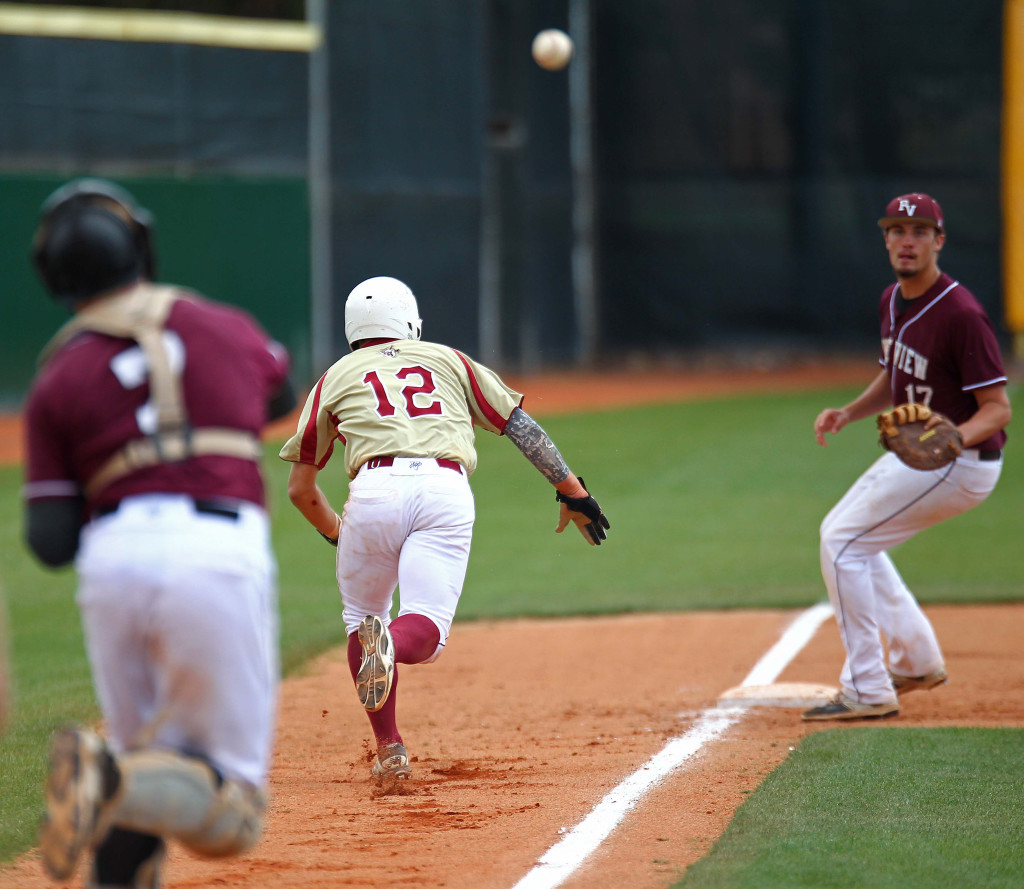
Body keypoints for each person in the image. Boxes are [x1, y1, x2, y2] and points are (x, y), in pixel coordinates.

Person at [22, 178, 296, 886]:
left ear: (53, 277)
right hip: (216, 550)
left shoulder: (59, 373)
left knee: (148, 769)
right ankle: (105, 774)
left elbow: (50, 540)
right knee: (231, 808)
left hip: (115, 560)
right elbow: (281, 396)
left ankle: (110, 781)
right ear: (141, 245)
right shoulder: (223, 325)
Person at [279, 276, 609, 783]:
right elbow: (522, 428)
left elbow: (301, 489)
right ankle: (390, 643)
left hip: (371, 489)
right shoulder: (448, 359)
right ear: (409, 320)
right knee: (425, 632)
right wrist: (572, 491)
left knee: (361, 617)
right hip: (443, 488)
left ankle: (390, 748)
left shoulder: (334, 377)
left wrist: (342, 538)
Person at [803, 193, 1011, 721]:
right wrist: (849, 411)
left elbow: (998, 409)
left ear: (939, 241)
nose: (907, 240)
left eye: (919, 231)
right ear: (887, 240)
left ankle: (869, 688)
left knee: (842, 540)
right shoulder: (892, 300)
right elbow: (893, 372)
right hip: (924, 459)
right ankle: (917, 661)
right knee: (851, 537)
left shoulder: (962, 314)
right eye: (897, 230)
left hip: (962, 465)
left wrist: (955, 439)